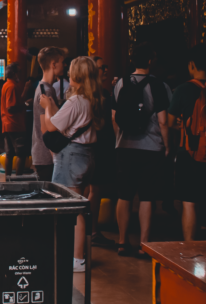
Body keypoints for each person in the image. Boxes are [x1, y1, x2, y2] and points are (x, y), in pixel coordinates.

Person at [40, 56, 105, 272]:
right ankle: (80, 254)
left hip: (71, 157)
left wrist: (47, 106)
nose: (67, 73)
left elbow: (51, 126)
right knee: (80, 207)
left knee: (72, 209)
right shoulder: (93, 99)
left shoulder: (76, 101)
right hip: (88, 155)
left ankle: (77, 258)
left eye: (71, 71)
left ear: (76, 75)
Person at [113, 44, 172, 258]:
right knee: (147, 197)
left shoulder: (120, 83)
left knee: (124, 195)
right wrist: (166, 145)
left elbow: (114, 117)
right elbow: (164, 121)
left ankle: (121, 241)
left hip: (124, 148)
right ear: (150, 61)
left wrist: (119, 138)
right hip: (150, 148)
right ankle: (144, 243)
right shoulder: (159, 85)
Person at [169, 44, 206, 241]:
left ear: (192, 65)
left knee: (189, 203)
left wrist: (183, 127)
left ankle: (189, 249)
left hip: (189, 152)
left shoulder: (183, 89)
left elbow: (169, 122)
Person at [88, 57, 118, 248]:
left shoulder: (104, 93)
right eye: (101, 68)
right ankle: (92, 230)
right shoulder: (93, 95)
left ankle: (92, 229)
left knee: (95, 189)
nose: (105, 70)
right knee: (94, 189)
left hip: (101, 146)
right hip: (95, 147)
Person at [31, 47, 69, 182]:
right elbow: (45, 128)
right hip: (46, 155)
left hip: (44, 152)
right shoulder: (45, 90)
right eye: (62, 62)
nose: (65, 65)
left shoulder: (47, 87)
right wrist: (55, 156)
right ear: (53, 64)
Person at [0, 63, 29, 176]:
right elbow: (11, 107)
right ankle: (18, 178)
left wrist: (25, 89)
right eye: (19, 72)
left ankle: (8, 177)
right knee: (20, 154)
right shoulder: (12, 86)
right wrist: (26, 105)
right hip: (15, 124)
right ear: (15, 73)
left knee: (9, 154)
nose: (21, 74)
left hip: (7, 123)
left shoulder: (6, 84)